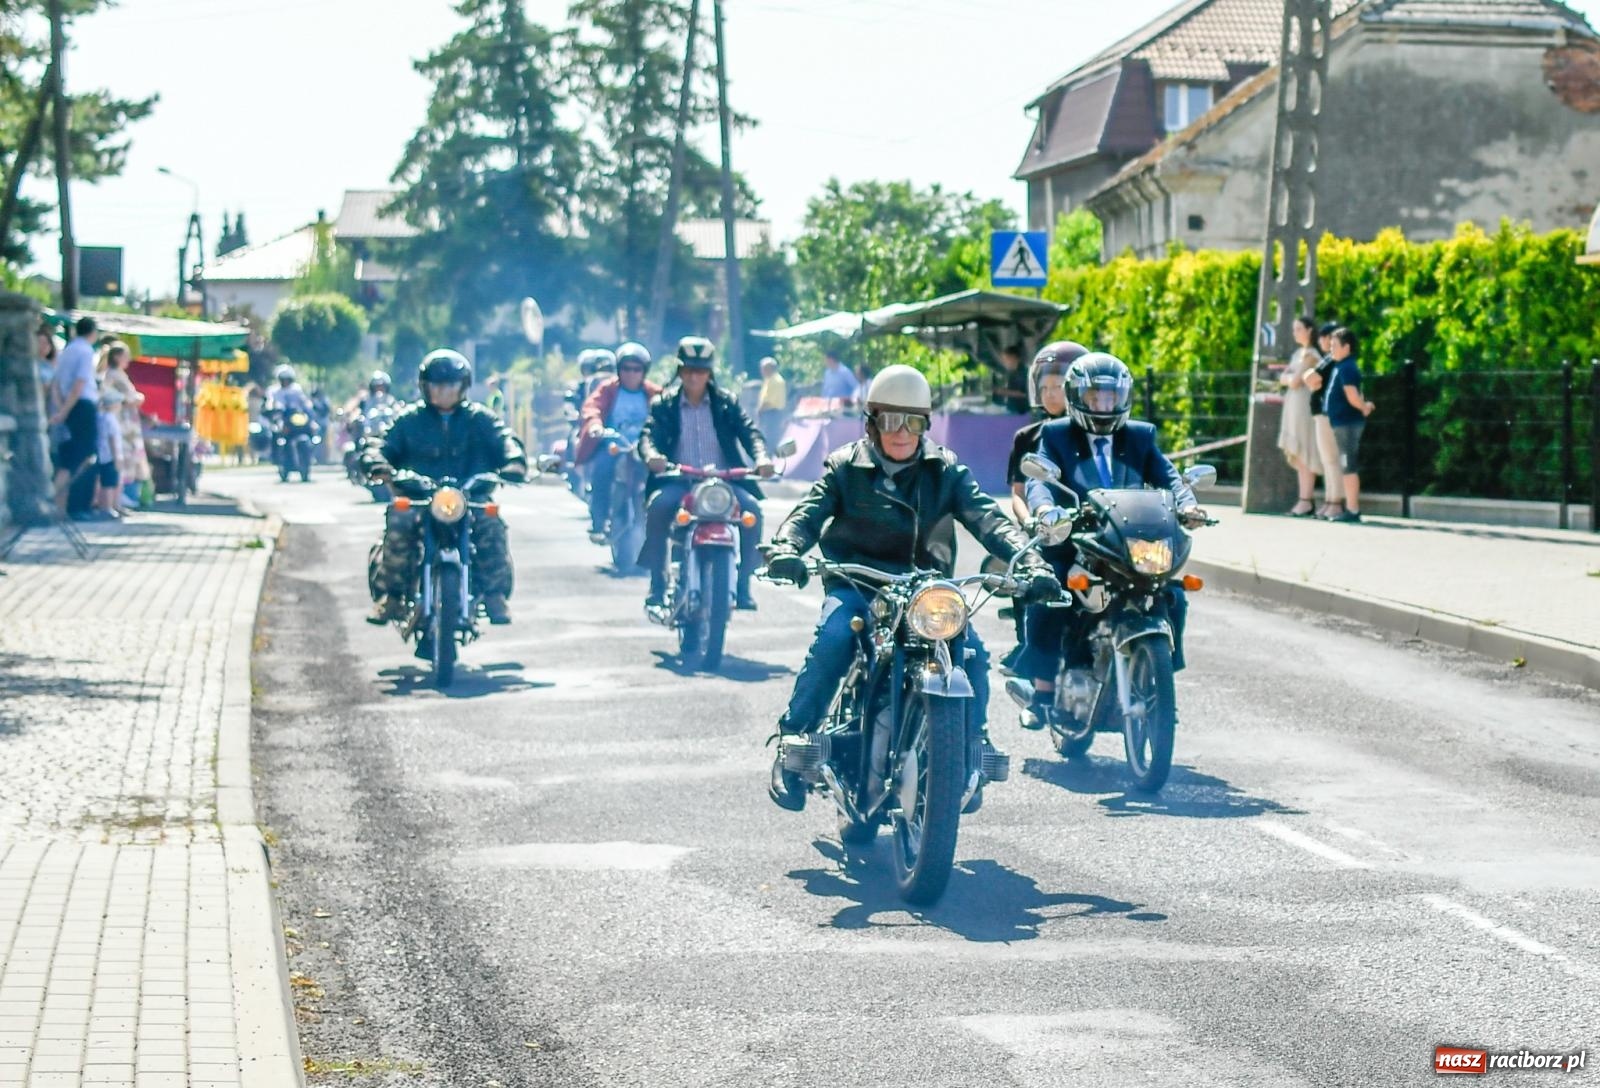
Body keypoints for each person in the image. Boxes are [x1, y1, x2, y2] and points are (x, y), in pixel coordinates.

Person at [761, 364, 1062, 810]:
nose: (902, 432)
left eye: (913, 421)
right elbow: (809, 512)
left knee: (972, 654)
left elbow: (991, 519)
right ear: (872, 422)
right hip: (858, 581)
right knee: (835, 638)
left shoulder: (947, 471)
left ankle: (969, 753)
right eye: (890, 421)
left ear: (925, 424)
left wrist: (1032, 562)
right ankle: (794, 744)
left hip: (927, 590)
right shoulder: (847, 468)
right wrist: (787, 547)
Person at [1017, 352, 1207, 729]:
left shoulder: (1139, 436)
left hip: (1125, 542)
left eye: (1110, 398)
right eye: (1095, 398)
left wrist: (1189, 504)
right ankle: (1041, 690)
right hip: (1073, 538)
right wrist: (1043, 511)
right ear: (1077, 398)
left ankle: (1159, 676)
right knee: (1049, 594)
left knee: (1173, 594)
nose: (1103, 406)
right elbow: (1039, 481)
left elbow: (1169, 476)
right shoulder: (1055, 436)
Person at [362, 349, 528, 628]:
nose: (444, 392)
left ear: (463, 387)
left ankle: (494, 594)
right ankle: (391, 597)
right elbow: (382, 444)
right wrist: (377, 464)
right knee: (399, 521)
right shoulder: (409, 420)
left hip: (470, 495)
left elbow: (505, 439)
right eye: (437, 385)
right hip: (418, 497)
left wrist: (515, 463)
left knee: (491, 523)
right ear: (424, 387)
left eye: (450, 385)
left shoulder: (479, 419)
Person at [637, 335, 773, 612]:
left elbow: (750, 432)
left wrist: (761, 458)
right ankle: (657, 583)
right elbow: (648, 435)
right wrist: (652, 456)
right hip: (679, 481)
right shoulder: (664, 404)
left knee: (753, 511)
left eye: (700, 370)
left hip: (723, 483)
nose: (693, 376)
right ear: (679, 372)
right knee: (658, 506)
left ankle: (744, 586)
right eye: (688, 370)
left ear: (709, 373)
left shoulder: (726, 403)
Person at [999, 340, 1087, 672]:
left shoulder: (1098, 432)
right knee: (1032, 572)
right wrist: (1030, 523)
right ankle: (1034, 664)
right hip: (1048, 528)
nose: (1051, 395)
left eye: (1059, 387)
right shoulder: (1028, 436)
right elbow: (1019, 492)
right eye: (1045, 387)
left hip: (1092, 528)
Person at [576, 341, 662, 542]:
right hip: (615, 446)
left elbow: (668, 412)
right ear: (618, 369)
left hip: (645, 450)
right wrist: (596, 426)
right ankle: (600, 521)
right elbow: (592, 408)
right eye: (626, 368)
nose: (631, 373)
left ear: (644, 371)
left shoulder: (654, 393)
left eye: (636, 369)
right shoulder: (608, 389)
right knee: (602, 471)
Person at [48, 316, 101, 518]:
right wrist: (66, 410)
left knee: (68, 458)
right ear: (92, 332)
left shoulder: (66, 350)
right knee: (86, 455)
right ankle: (78, 505)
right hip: (82, 405)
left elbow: (57, 383)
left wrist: (62, 409)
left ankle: (58, 504)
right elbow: (80, 383)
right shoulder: (86, 351)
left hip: (68, 406)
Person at [1321, 327, 1375, 523]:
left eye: (1335, 345)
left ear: (1347, 347)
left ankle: (1352, 510)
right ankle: (1351, 508)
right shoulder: (1343, 366)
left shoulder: (1348, 367)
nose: (1331, 349)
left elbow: (1353, 396)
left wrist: (1364, 407)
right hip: (1342, 423)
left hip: (1347, 424)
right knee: (1346, 464)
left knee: (1348, 464)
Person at [1277, 316, 1323, 516]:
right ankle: (1304, 498)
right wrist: (1287, 379)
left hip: (1304, 407)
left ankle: (1306, 499)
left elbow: (1294, 380)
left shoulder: (1311, 355)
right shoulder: (1298, 353)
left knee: (1305, 450)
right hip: (1293, 406)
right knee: (1298, 452)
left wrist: (1286, 379)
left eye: (1298, 329)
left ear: (1309, 330)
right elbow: (1286, 378)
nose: (1295, 332)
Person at [98, 341, 150, 512]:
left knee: (128, 460)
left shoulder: (120, 374)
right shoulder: (112, 375)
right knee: (121, 459)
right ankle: (116, 499)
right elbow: (112, 397)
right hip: (120, 423)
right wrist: (131, 400)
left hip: (129, 423)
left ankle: (120, 500)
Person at [1302, 321, 1346, 519]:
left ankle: (1335, 502)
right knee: (1328, 460)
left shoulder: (1331, 359)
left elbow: (1311, 378)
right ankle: (1330, 501)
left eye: (1323, 336)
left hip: (1327, 414)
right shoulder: (1329, 359)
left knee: (1332, 459)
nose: (1320, 340)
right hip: (1322, 414)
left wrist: (1311, 378)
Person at [93, 388, 125, 519]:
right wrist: (117, 456)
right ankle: (107, 507)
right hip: (110, 455)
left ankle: (105, 506)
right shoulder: (110, 419)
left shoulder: (100, 417)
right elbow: (112, 439)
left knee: (104, 481)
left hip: (101, 454)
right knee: (110, 483)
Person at [756, 356, 788, 444]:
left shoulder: (775, 381)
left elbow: (769, 401)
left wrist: (759, 411)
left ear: (769, 368)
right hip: (769, 414)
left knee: (770, 439)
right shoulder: (769, 379)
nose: (761, 371)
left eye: (763, 369)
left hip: (772, 414)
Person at [991, 345, 1031, 411]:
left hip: (1023, 411)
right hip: (1011, 410)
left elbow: (1027, 394)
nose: (1004, 362)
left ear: (1013, 358)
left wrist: (1005, 392)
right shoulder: (1009, 373)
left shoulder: (1025, 373)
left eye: (1006, 359)